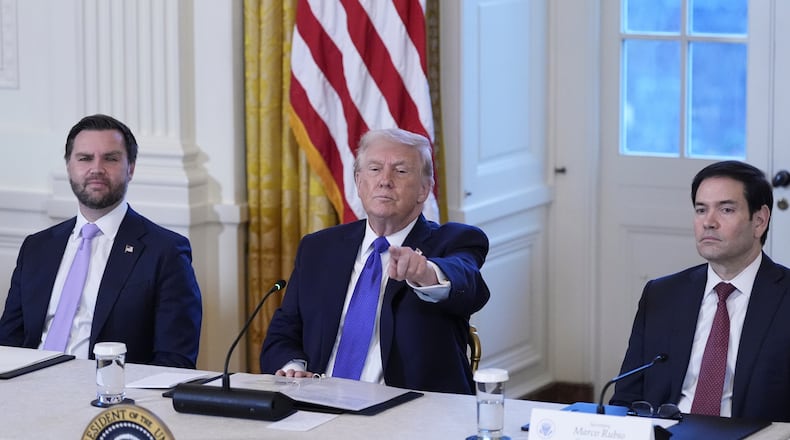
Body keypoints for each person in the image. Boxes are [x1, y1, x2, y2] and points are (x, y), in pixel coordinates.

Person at [260, 128, 490, 394]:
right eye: (374, 169)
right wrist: (292, 366)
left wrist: (427, 273)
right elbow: (283, 332)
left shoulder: (454, 241)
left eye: (401, 171)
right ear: (359, 182)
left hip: (411, 414)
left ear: (424, 189)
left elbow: (468, 281)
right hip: (317, 406)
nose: (385, 181)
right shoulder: (318, 248)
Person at [0, 114, 202, 368]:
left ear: (131, 168)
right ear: (69, 166)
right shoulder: (37, 248)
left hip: (109, 398)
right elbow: (7, 343)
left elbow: (175, 361)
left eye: (111, 158)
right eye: (85, 158)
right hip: (28, 388)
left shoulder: (165, 252)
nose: (96, 168)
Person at [610, 160, 790, 421]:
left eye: (726, 210)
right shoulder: (661, 294)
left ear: (759, 221)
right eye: (701, 210)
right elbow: (627, 397)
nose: (709, 222)